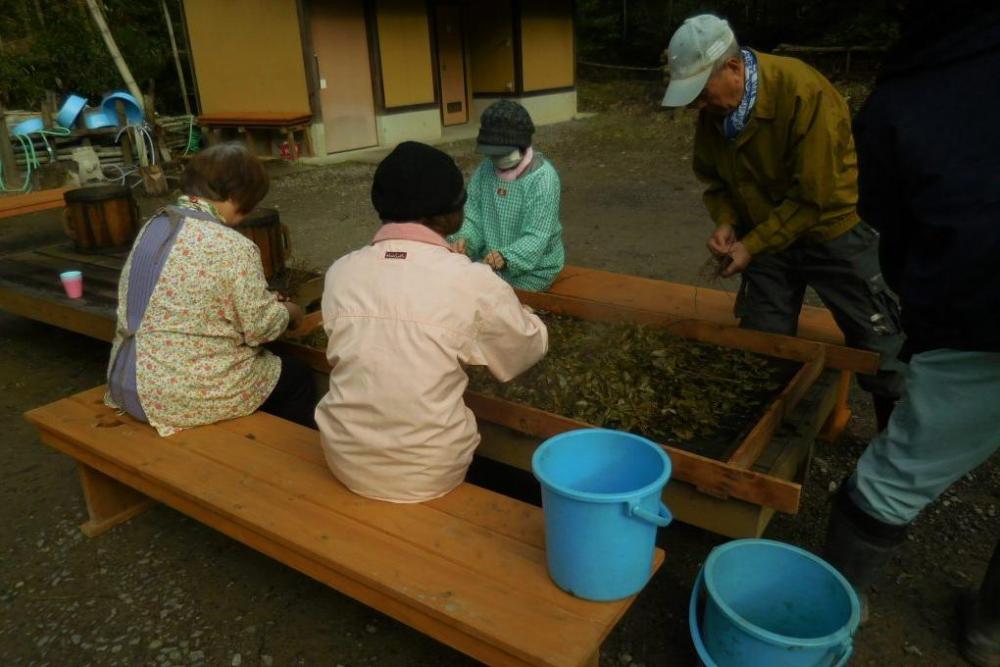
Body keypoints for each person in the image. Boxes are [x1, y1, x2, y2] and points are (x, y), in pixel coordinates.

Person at [820, 6, 1000, 664]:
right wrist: (733, 222)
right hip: (979, 306)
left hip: (982, 310)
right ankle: (987, 630)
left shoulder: (908, 91)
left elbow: (873, 218)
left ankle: (831, 605)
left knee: (895, 475)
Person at [660, 14, 906, 430]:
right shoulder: (714, 114)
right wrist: (726, 223)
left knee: (878, 343)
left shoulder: (803, 93)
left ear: (734, 68)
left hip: (832, 229)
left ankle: (893, 443)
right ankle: (765, 429)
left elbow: (812, 198)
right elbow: (716, 181)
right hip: (766, 235)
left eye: (701, 93)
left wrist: (750, 246)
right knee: (762, 339)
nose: (698, 105)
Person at [315, 141, 548, 503]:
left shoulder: (341, 272)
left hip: (345, 458)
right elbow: (523, 351)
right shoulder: (472, 282)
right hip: (430, 471)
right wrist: (529, 318)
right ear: (449, 215)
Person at [105, 143, 315, 435]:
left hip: (128, 379)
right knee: (297, 376)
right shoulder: (233, 246)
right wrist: (289, 312)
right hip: (180, 397)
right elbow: (260, 329)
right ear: (236, 196)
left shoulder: (154, 225)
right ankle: (277, 456)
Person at [450, 99, 564, 291]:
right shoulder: (485, 170)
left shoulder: (543, 179)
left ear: (521, 144)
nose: (495, 159)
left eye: (501, 153)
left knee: (484, 292)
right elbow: (472, 216)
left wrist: (506, 258)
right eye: (492, 153)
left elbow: (537, 237)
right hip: (489, 263)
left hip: (534, 270)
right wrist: (465, 241)